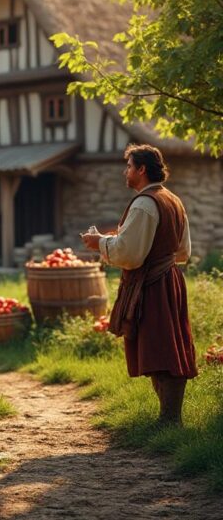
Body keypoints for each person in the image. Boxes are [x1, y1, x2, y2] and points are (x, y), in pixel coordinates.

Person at [81, 144, 197, 425]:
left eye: (130, 166)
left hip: (154, 284)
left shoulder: (145, 204)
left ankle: (170, 420)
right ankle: (168, 418)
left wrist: (100, 243)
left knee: (162, 348)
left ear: (142, 169)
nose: (126, 171)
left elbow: (131, 256)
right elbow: (183, 251)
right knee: (165, 344)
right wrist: (118, 241)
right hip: (168, 279)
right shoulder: (172, 200)